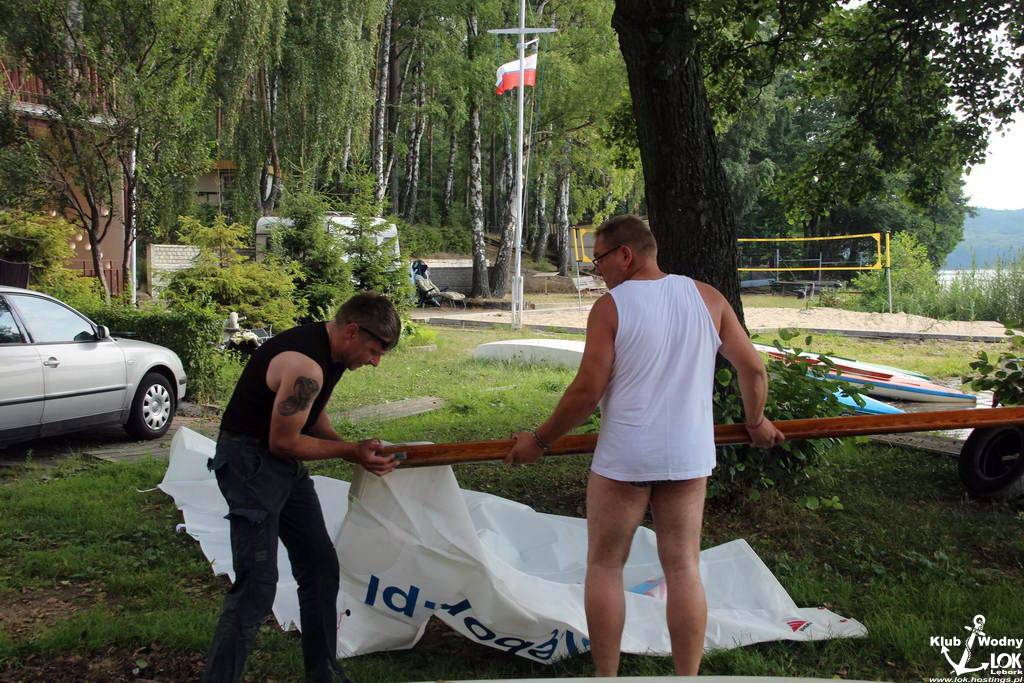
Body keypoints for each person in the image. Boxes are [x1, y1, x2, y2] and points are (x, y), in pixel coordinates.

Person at [504, 215, 785, 676]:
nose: (598, 271)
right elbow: (753, 369)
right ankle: (686, 678)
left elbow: (587, 392)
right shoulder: (708, 298)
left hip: (626, 457)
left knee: (605, 566)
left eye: (599, 260)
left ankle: (607, 677)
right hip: (688, 455)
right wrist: (755, 421)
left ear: (625, 254)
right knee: (683, 568)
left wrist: (538, 441)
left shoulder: (611, 308)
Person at [203, 292, 401, 683]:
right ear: (352, 331)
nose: (375, 362)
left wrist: (348, 446)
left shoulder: (331, 353)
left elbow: (312, 414)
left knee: (320, 566)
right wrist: (351, 451)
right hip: (248, 462)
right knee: (257, 587)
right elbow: (284, 442)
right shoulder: (304, 367)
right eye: (375, 351)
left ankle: (321, 674)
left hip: (280, 463)